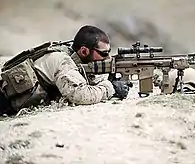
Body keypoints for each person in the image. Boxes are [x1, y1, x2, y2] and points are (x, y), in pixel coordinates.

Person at [0, 25, 131, 115]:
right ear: (84, 51)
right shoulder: (63, 61)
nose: (107, 57)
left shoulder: (73, 56)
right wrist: (110, 87)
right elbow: (80, 95)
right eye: (103, 53)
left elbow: (82, 79)